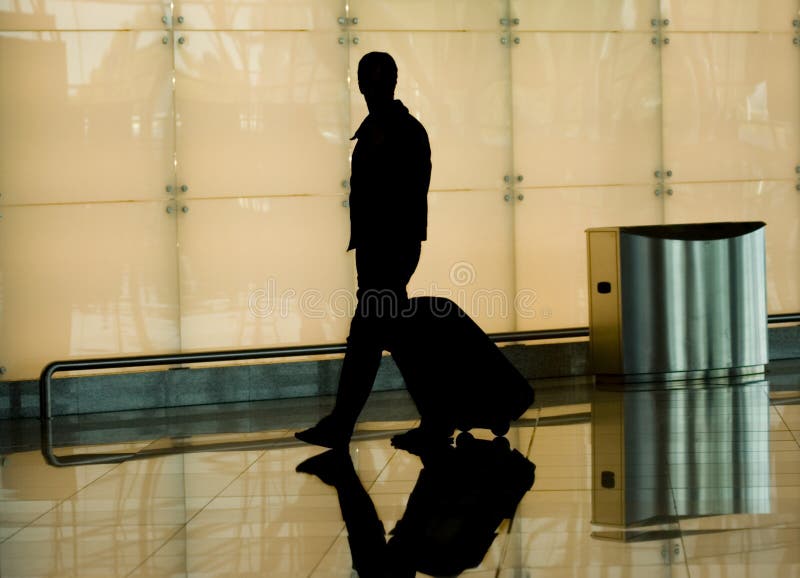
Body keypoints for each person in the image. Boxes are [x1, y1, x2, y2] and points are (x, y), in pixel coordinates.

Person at [295, 52, 431, 448]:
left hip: (387, 249)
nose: (370, 88)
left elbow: (400, 193)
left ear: (389, 83)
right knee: (392, 339)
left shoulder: (394, 130)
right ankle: (435, 419)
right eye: (367, 80)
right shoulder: (389, 128)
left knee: (368, 337)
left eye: (375, 80)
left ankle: (343, 423)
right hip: (383, 247)